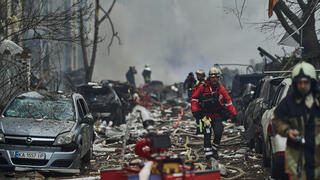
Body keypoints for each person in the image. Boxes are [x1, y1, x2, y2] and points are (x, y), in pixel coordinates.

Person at [273, 61, 320, 180]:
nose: (302, 86)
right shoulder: (287, 103)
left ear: (312, 82)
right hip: (297, 156)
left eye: (305, 82)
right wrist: (288, 131)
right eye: (300, 83)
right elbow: (277, 121)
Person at [191, 67, 236, 161]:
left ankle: (214, 149)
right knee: (207, 133)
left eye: (216, 77)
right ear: (209, 78)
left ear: (218, 78)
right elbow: (194, 99)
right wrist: (195, 110)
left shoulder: (221, 89)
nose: (215, 79)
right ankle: (208, 154)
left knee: (219, 132)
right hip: (205, 115)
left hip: (216, 114)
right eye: (213, 77)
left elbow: (228, 101)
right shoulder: (202, 87)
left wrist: (233, 114)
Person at [191, 69, 206, 135]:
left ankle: (200, 131)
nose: (197, 76)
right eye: (197, 75)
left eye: (198, 75)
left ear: (202, 76)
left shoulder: (203, 84)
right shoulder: (197, 83)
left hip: (201, 104)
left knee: (200, 119)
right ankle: (199, 130)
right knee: (198, 119)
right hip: (197, 104)